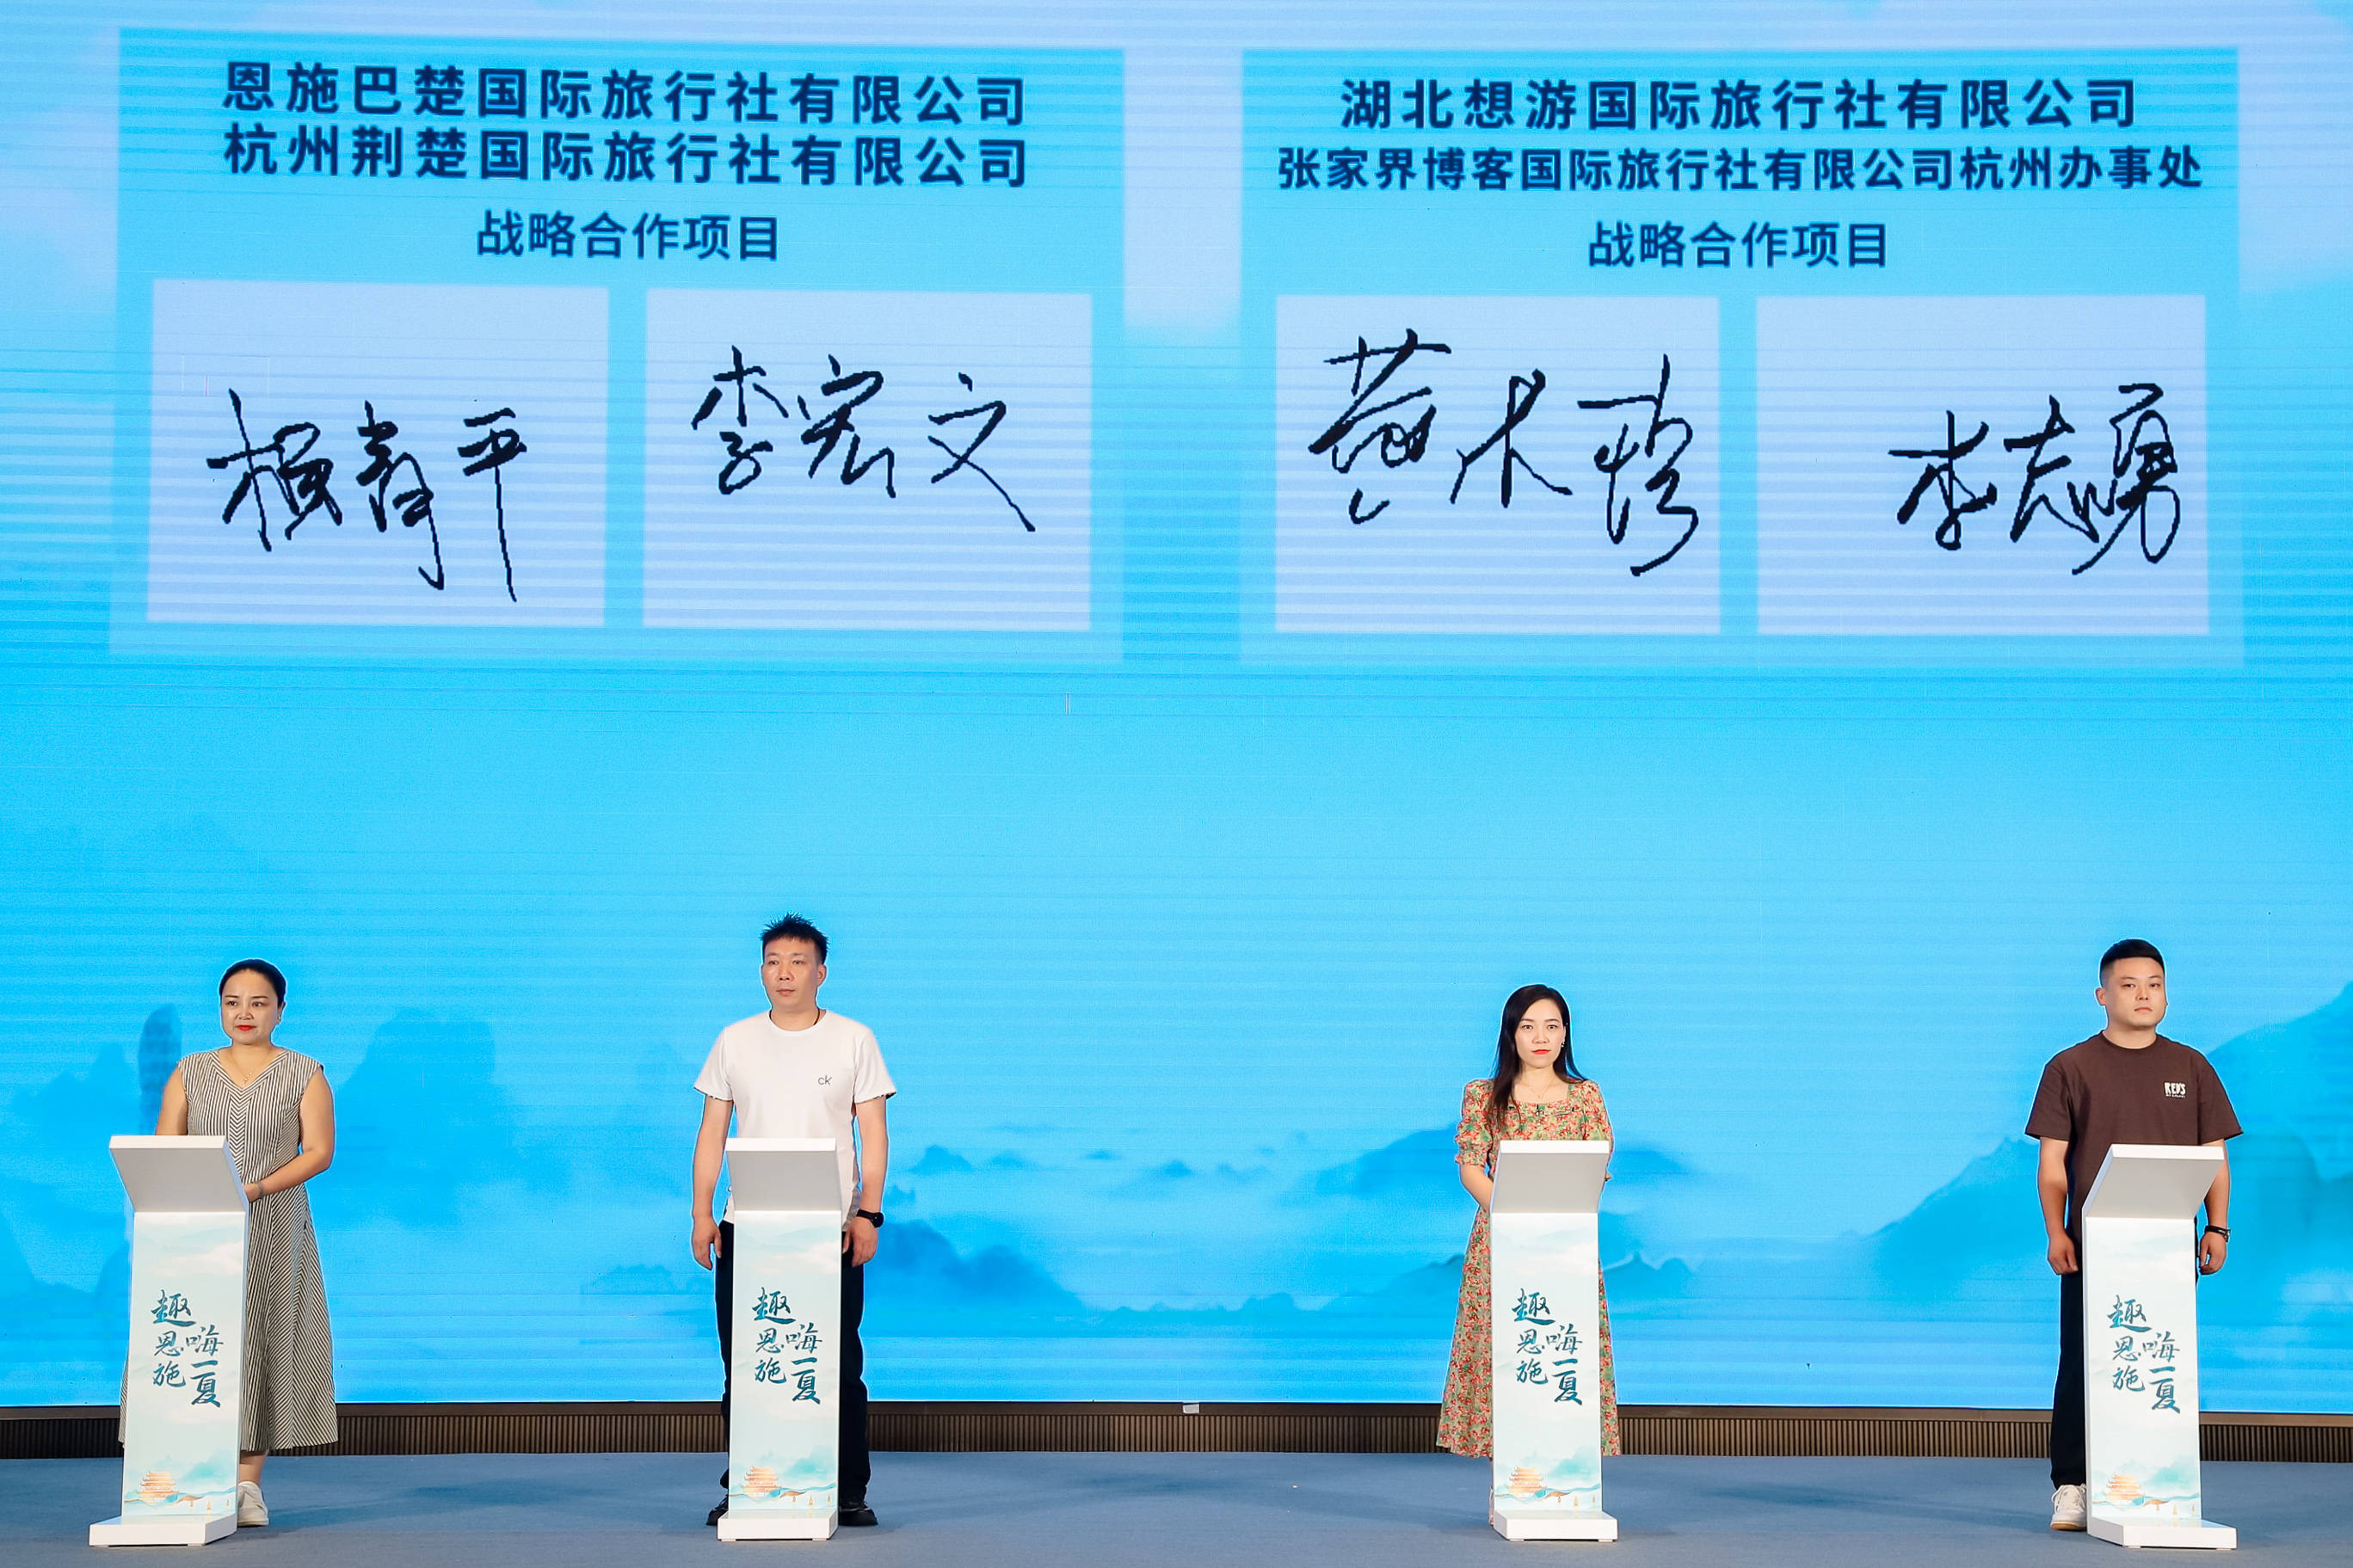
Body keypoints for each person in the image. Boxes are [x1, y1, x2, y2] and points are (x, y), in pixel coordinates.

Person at [2027, 938, 2239, 1533]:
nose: (2143, 995)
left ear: (2166, 995)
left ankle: (2154, 1483)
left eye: (2154, 984)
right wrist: (2055, 1231)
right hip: (2094, 1246)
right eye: (2128, 984)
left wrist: (2217, 1226)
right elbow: (2052, 1163)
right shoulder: (2070, 1067)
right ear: (2102, 995)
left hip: (2168, 1245)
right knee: (2082, 1360)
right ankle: (2072, 1485)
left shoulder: (2192, 1067)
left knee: (2161, 1360)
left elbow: (2214, 1156)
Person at [691, 915, 894, 1528]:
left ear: (820, 972)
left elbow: (874, 1134)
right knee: (747, 1361)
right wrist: (702, 1213)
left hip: (829, 1228)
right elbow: (712, 1132)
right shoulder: (734, 1040)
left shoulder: (854, 1039)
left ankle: (847, 1489)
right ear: (761, 971)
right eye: (773, 961)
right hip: (747, 1225)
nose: (785, 972)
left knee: (837, 1364)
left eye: (798, 961)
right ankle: (748, 1486)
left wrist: (868, 1213)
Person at [149, 960, 338, 1528]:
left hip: (272, 1223)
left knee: (260, 1340)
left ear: (281, 1010)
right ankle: (184, 1476)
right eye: (232, 1002)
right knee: (196, 1340)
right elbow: (165, 1146)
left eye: (258, 1002)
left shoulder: (305, 1071)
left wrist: (253, 1189)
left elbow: (318, 1152)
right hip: (197, 1224)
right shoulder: (191, 1070)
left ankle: (247, 1484)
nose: (244, 1013)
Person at [1438, 984, 1618, 1460]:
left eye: (1552, 1026)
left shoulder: (1586, 1097)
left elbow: (1597, 1167)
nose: (1541, 1037)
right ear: (1510, 1034)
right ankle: (1509, 1476)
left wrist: (1562, 1216)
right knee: (1507, 1350)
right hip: (1501, 1243)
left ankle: (1566, 1470)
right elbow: (1471, 1169)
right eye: (1528, 1026)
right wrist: (1514, 1221)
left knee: (1563, 1350)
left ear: (1565, 1035)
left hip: (1568, 1244)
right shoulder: (1483, 1096)